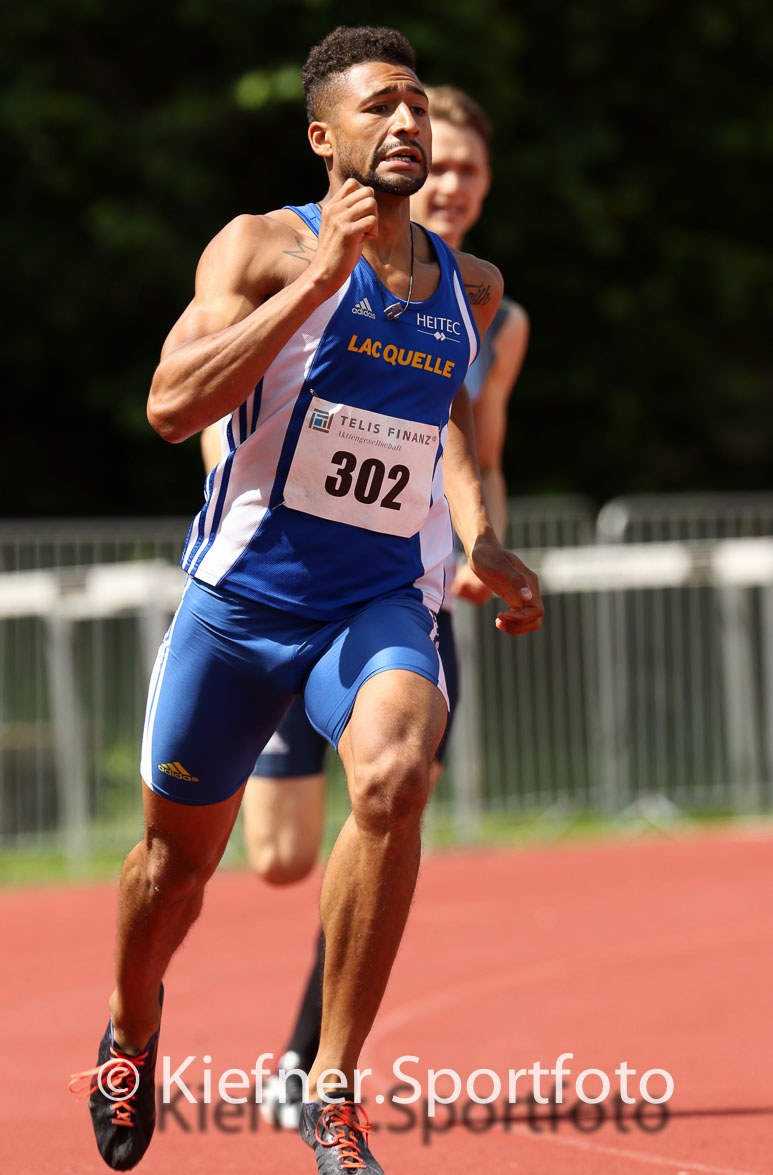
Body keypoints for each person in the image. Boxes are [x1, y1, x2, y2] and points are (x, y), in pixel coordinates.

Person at [69, 26, 543, 1175]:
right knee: (170, 873)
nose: (409, 125)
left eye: (419, 105)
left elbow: (442, 437)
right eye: (380, 105)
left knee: (394, 765)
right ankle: (132, 1029)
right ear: (324, 134)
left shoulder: (467, 288)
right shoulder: (258, 247)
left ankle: (329, 1085)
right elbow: (170, 406)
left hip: (373, 599)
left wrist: (484, 543)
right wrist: (317, 286)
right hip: (236, 607)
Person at [202, 83, 531, 1133]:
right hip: (283, 580)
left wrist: (483, 547)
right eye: (440, 165)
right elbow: (227, 393)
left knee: (384, 802)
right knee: (280, 857)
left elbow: (472, 438)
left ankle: (310, 1060)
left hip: (406, 598)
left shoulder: (489, 305)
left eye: (468, 169)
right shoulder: (311, 255)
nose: (451, 183)